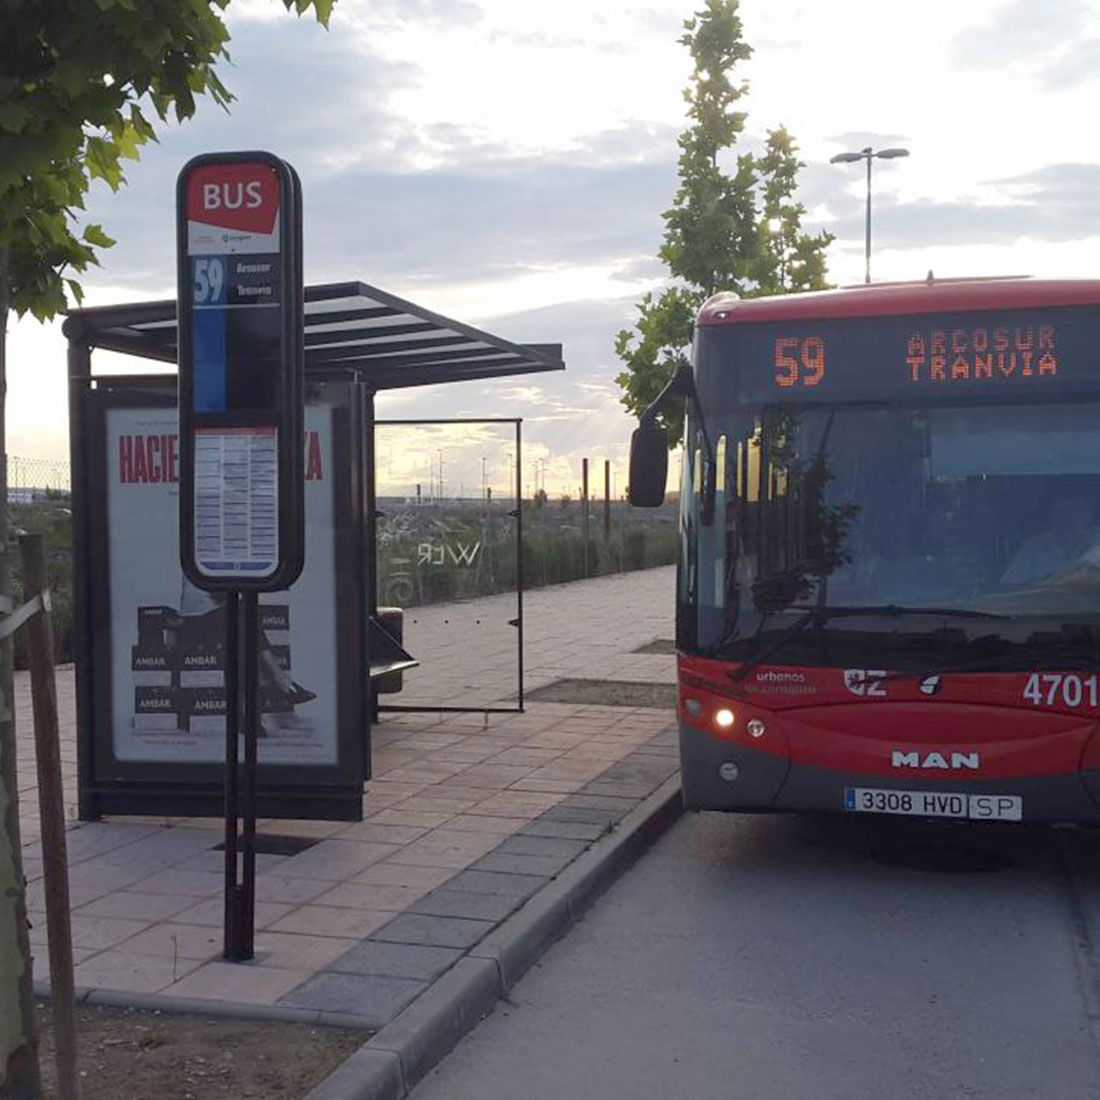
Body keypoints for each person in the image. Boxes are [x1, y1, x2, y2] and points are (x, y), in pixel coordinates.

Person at [1002, 498, 1100, 586]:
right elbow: (1011, 587)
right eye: (1064, 512)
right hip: (1038, 604)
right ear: (1053, 516)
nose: (1071, 517)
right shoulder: (1033, 548)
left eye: (1077, 511)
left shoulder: (1097, 543)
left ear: (1088, 515)